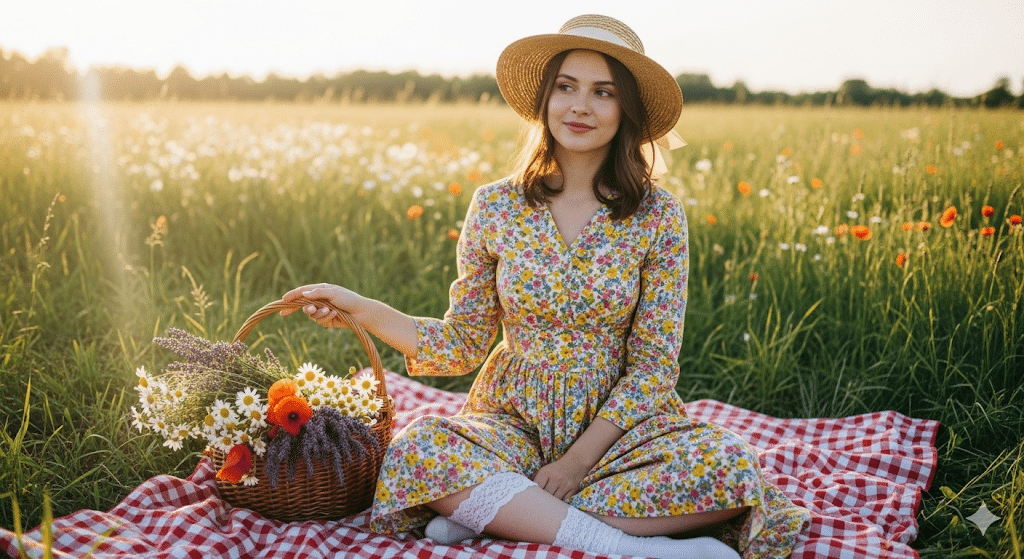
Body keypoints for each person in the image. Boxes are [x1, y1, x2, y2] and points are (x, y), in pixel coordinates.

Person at [281, 14, 810, 559]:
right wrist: (358, 307)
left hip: (618, 432)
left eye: (603, 92)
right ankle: (639, 548)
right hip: (514, 420)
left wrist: (576, 462)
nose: (580, 106)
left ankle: (503, 512)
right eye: (566, 87)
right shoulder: (496, 205)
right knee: (420, 448)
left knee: (730, 467)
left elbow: (654, 365)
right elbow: (461, 343)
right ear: (545, 99)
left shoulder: (657, 215)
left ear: (625, 108)